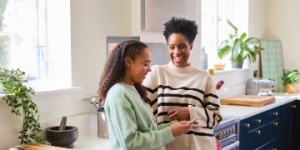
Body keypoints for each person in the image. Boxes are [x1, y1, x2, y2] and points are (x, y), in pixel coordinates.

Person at [142, 17, 222, 150]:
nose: (177, 52)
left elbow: (216, 118)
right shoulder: (156, 74)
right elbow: (142, 111)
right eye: (172, 47)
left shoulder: (204, 78)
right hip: (166, 146)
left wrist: (190, 112)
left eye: (182, 46)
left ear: (191, 45)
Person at [98, 40, 192, 150]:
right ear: (128, 62)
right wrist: (170, 132)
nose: (150, 68)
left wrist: (173, 126)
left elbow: (149, 130)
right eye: (145, 64)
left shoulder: (133, 90)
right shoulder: (119, 94)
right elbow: (131, 142)